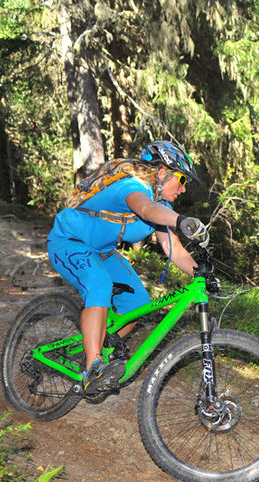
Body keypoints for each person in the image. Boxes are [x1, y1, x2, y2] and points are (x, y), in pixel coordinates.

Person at [46, 141, 209, 393]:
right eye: (182, 179)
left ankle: (99, 351)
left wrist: (202, 274)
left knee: (138, 304)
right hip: (69, 241)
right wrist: (182, 221)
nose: (184, 188)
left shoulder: (163, 208)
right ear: (163, 173)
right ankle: (93, 367)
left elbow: (173, 249)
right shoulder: (132, 187)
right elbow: (145, 208)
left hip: (102, 252)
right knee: (99, 284)